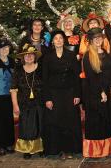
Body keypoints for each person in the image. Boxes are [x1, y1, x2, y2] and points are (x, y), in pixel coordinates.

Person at [42, 30, 82, 159]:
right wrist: (47, 98)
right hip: (53, 94)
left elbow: (77, 77)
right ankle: (57, 149)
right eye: (56, 38)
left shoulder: (71, 55)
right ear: (52, 41)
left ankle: (70, 149)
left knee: (70, 121)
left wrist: (77, 94)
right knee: (55, 122)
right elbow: (45, 79)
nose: (58, 40)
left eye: (60, 38)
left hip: (69, 93)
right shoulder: (47, 57)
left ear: (64, 40)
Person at [81, 28, 111, 158]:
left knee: (106, 119)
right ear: (90, 40)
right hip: (94, 93)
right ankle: (95, 151)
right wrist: (101, 92)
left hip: (107, 90)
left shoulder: (106, 53)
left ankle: (106, 149)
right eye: (95, 38)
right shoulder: (87, 55)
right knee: (95, 120)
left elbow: (110, 72)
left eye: (100, 37)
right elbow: (91, 77)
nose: (98, 40)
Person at [11, 44, 44, 159]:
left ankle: (40, 148)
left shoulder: (41, 68)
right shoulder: (18, 70)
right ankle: (27, 150)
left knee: (40, 125)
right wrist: (15, 105)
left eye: (31, 55)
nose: (29, 57)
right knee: (26, 126)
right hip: (24, 103)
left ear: (35, 56)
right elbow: (13, 89)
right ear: (23, 57)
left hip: (40, 102)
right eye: (26, 55)